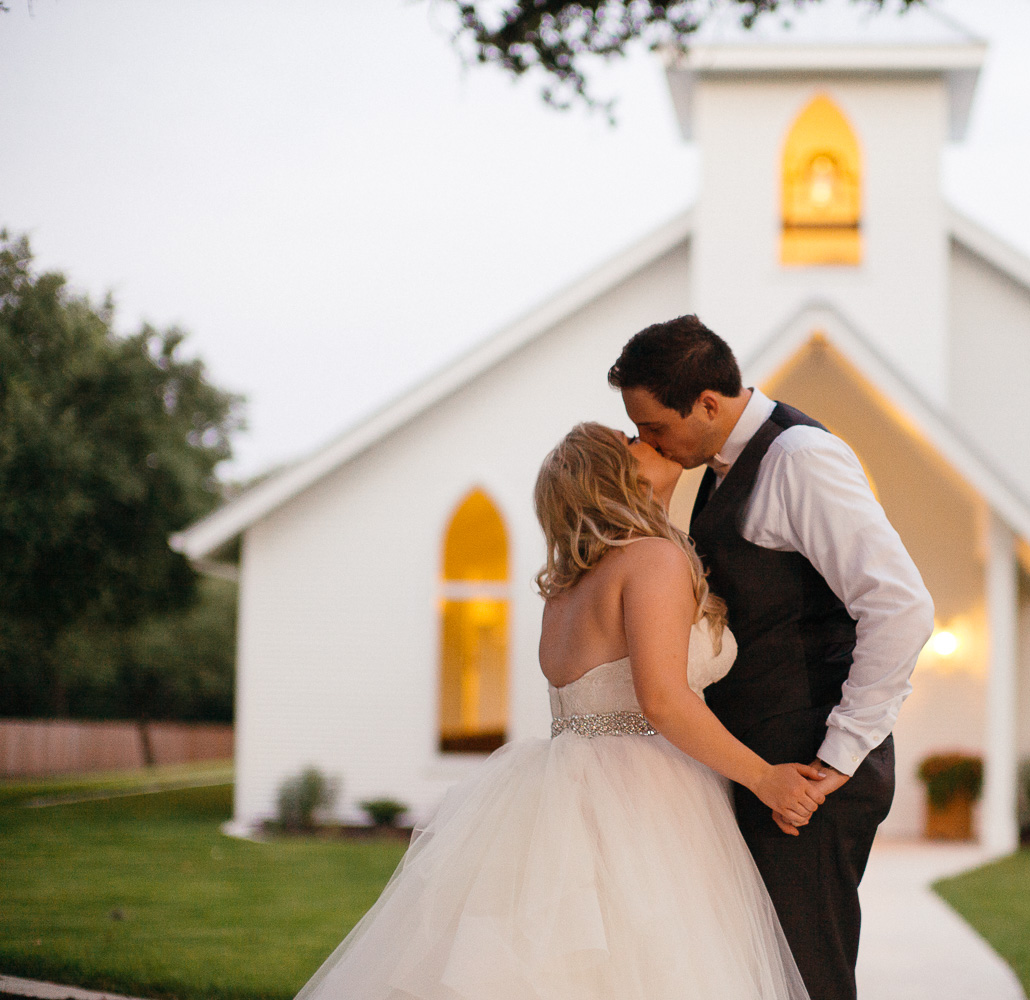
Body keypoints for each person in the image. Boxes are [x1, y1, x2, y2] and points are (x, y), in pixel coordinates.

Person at [292, 422, 825, 1000]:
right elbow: (664, 702)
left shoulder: (571, 584)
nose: (647, 437)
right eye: (630, 442)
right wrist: (765, 779)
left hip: (568, 781)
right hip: (644, 796)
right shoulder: (652, 560)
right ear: (617, 478)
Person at [608, 315, 935, 1000]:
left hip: (805, 770)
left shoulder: (799, 458)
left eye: (654, 427)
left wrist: (836, 758)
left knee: (806, 977)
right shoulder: (728, 468)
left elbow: (899, 605)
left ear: (706, 403)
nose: (647, 442)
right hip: (769, 763)